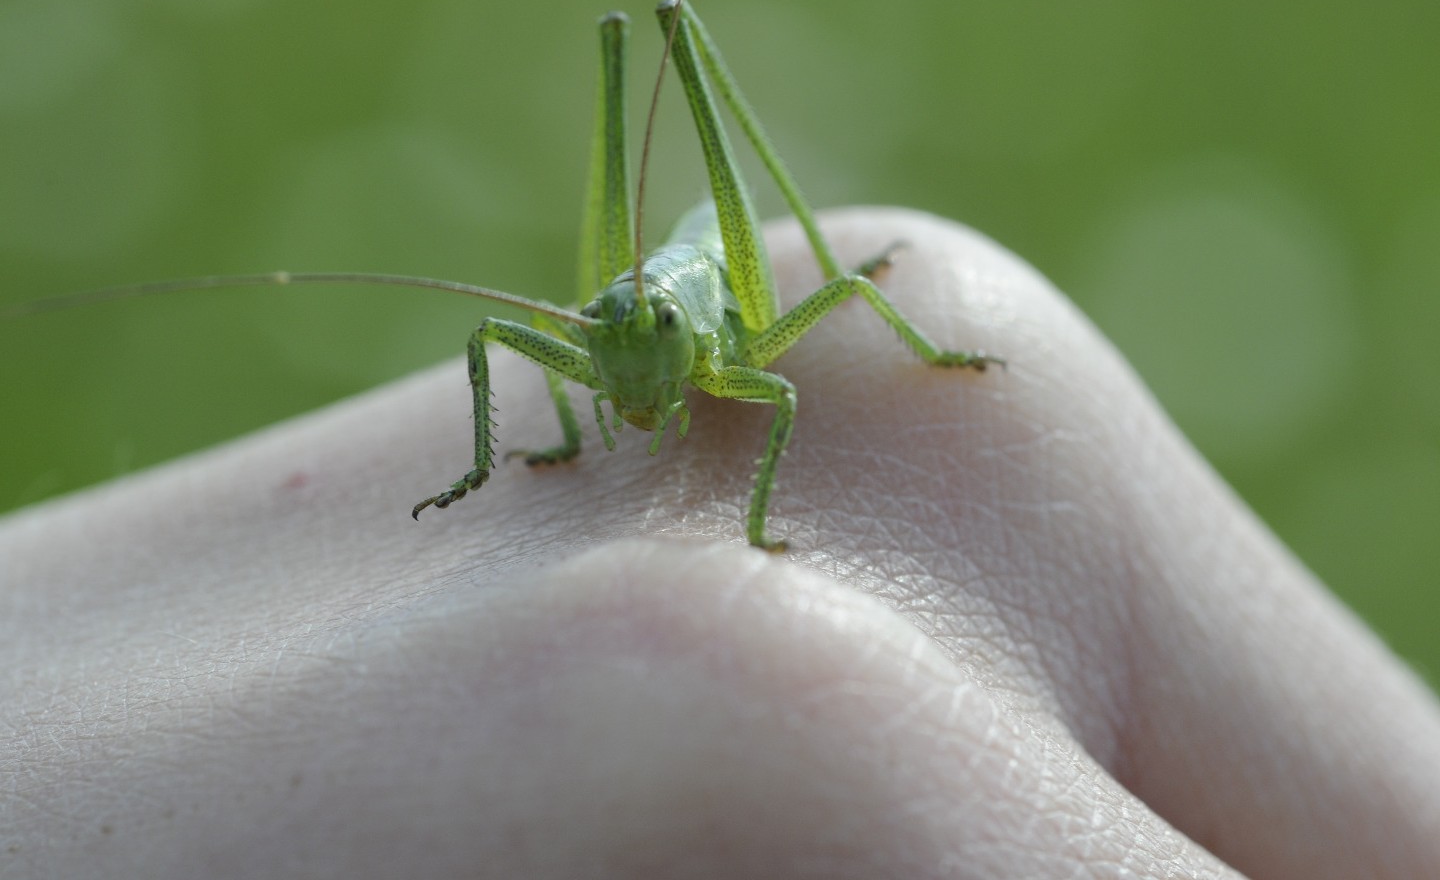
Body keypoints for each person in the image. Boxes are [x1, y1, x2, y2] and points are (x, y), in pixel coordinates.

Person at [2, 210, 1436, 878]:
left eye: (636, 360)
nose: (630, 379)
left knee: (864, 298)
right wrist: (547, 442)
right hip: (651, 289)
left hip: (732, 280)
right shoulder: (589, 339)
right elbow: (494, 336)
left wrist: (764, 524)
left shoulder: (738, 348)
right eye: (605, 362)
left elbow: (791, 383)